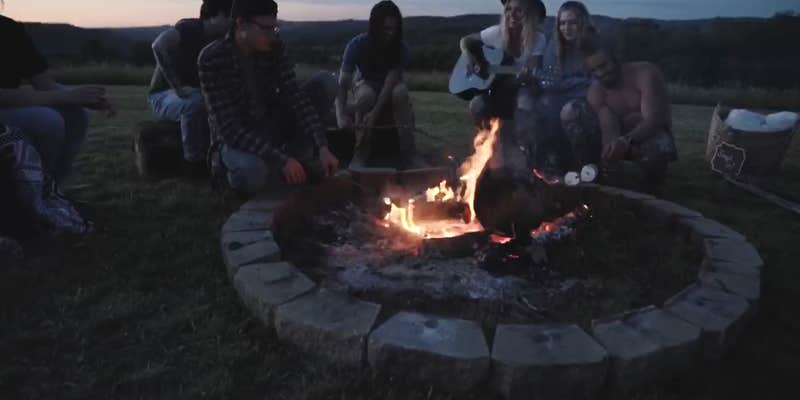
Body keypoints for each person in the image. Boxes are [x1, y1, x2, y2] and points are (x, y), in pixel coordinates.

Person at [198, 0, 339, 195]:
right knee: (253, 173)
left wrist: (322, 145)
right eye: (266, 29)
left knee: (326, 82)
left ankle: (295, 160)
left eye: (274, 28)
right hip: (237, 138)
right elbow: (229, 130)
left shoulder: (274, 48)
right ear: (241, 24)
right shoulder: (212, 59)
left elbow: (296, 96)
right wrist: (282, 160)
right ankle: (229, 176)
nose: (272, 35)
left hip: (271, 126)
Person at [0, 12, 112, 186]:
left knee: (76, 115)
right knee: (47, 120)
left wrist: (85, 97)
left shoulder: (9, 28)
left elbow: (45, 84)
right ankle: (34, 194)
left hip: (10, 109)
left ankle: (52, 188)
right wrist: (64, 96)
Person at [565, 42, 678, 190]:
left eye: (603, 65)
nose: (600, 73)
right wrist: (611, 148)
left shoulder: (645, 73)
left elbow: (654, 119)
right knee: (572, 110)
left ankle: (652, 187)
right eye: (594, 70)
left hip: (648, 134)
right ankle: (591, 174)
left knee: (658, 144)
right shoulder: (596, 91)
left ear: (616, 59)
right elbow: (608, 125)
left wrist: (626, 141)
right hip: (621, 138)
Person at [147, 0, 233, 174]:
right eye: (231, 17)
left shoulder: (219, 40)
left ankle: (218, 157)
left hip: (193, 95)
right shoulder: (189, 28)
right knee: (195, 102)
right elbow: (158, 45)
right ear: (220, 15)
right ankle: (193, 161)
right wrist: (177, 87)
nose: (233, 22)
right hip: (162, 97)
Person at [335, 1, 417, 169]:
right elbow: (343, 84)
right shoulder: (357, 45)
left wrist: (374, 114)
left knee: (400, 93)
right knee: (365, 96)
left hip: (391, 86)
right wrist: (340, 115)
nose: (390, 34)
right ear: (375, 27)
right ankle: (361, 153)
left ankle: (408, 153)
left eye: (394, 29)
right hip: (365, 83)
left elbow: (390, 82)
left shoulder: (400, 48)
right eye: (386, 29)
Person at [524, 1, 596, 173]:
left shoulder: (594, 45)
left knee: (568, 109)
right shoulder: (554, 45)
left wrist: (564, 85)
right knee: (533, 103)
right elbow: (547, 80)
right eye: (562, 23)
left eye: (572, 22)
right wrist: (533, 81)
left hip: (590, 102)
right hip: (558, 98)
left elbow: (596, 84)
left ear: (582, 23)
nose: (566, 28)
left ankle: (584, 168)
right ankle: (540, 163)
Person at [458, 0, 547, 123]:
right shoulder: (496, 33)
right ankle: (487, 138)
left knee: (526, 104)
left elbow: (534, 73)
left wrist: (526, 78)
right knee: (477, 105)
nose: (512, 14)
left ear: (529, 15)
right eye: (509, 9)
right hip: (495, 91)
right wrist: (468, 56)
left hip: (519, 92)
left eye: (519, 10)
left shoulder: (538, 39)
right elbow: (465, 41)